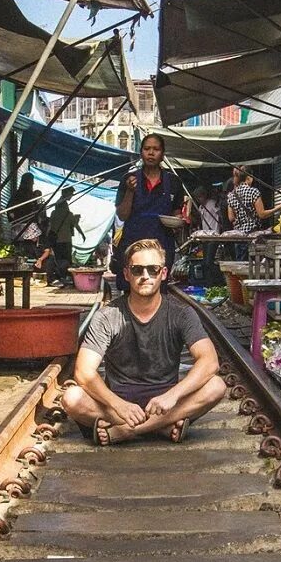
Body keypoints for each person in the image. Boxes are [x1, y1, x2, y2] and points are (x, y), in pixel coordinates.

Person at [64, 238, 227, 445]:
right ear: (126, 274)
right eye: (137, 270)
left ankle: (128, 431)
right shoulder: (107, 316)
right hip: (118, 407)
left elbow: (209, 361)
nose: (145, 276)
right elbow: (83, 372)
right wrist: (119, 405)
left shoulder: (181, 313)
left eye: (153, 269)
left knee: (216, 385)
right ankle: (160, 427)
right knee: (71, 397)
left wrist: (173, 396)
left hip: (165, 405)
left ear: (164, 274)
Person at [113, 134, 184, 286]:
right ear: (141, 152)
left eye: (156, 149)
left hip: (162, 245)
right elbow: (122, 215)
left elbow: (176, 212)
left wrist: (179, 220)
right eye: (147, 149)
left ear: (162, 154)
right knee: (132, 287)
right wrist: (130, 191)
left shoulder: (173, 182)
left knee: (157, 287)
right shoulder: (128, 179)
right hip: (133, 244)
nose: (151, 153)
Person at [225, 166, 281, 233]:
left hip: (239, 235)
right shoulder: (253, 192)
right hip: (252, 234)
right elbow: (262, 214)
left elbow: (231, 218)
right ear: (249, 178)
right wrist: (278, 208)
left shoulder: (231, 195)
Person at [44, 187, 81, 286]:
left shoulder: (53, 212)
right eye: (71, 193)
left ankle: (61, 277)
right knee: (66, 260)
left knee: (59, 259)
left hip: (56, 239)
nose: (72, 196)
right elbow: (74, 224)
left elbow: (50, 225)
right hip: (66, 239)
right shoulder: (67, 212)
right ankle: (64, 277)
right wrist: (81, 233)